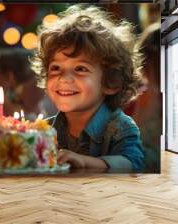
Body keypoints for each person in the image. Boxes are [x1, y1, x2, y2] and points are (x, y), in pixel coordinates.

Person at [30, 5, 145, 172]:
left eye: (80, 69)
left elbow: (133, 163)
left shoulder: (120, 127)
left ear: (110, 83)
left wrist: (85, 162)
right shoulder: (45, 129)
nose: (63, 77)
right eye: (55, 68)